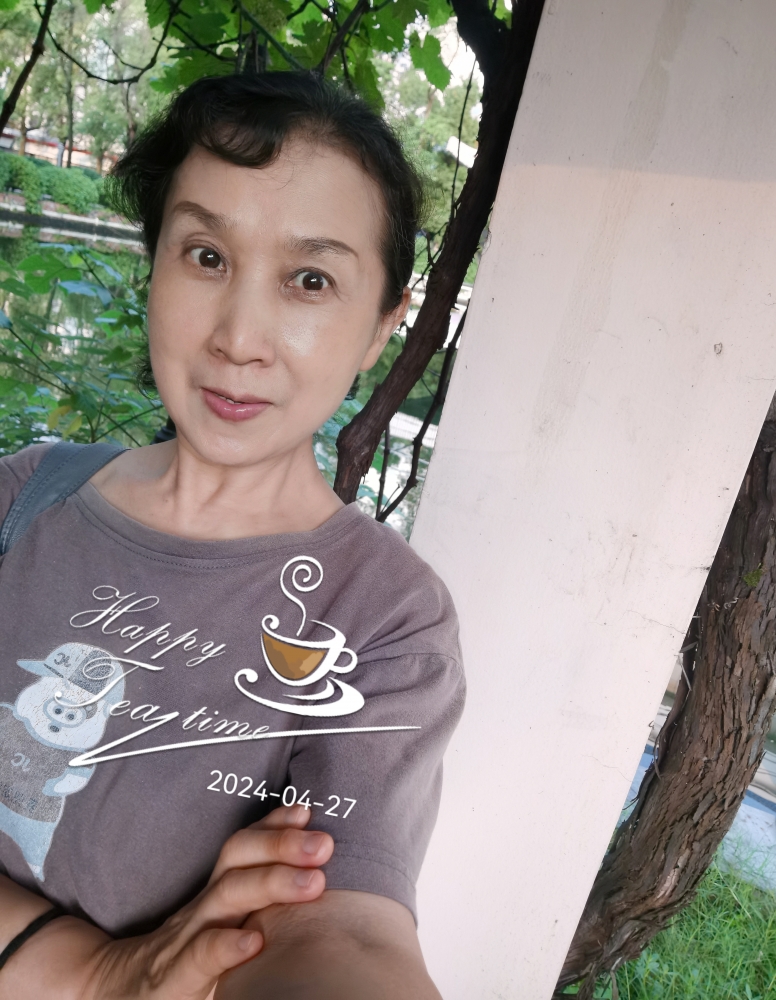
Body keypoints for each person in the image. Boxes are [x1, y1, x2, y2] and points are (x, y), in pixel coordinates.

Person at [0, 72, 465, 999]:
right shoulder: (23, 500)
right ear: (156, 267)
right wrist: (92, 975)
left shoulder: (383, 621)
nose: (239, 338)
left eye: (309, 280)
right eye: (207, 256)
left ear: (383, 326)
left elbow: (343, 930)